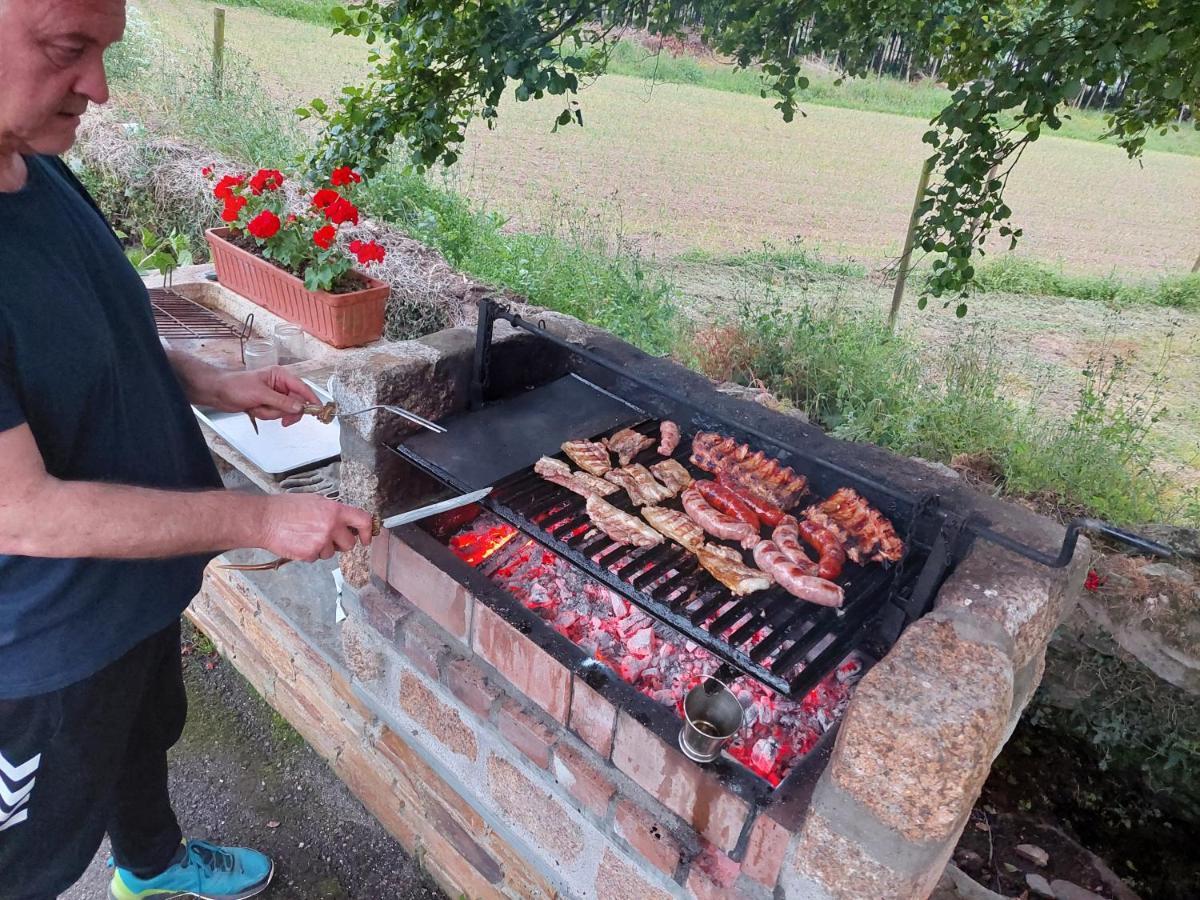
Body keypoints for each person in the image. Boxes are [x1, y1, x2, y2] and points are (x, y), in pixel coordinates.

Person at [0, 1, 376, 897]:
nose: (97, 85)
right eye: (67, 48)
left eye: (104, 49)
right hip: (45, 648)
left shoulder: (31, 162)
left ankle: (152, 869)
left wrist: (211, 381)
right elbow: (25, 509)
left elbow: (86, 332)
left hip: (137, 588)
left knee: (144, 742)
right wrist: (261, 517)